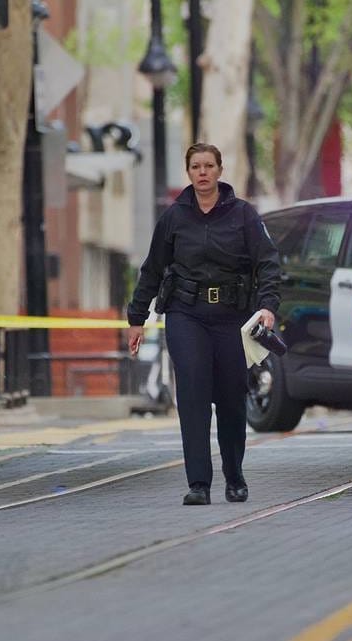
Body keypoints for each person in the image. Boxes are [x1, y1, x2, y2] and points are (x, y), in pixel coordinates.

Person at [126, 143, 282, 506]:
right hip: (186, 313)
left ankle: (235, 476)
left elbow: (268, 263)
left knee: (230, 398)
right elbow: (151, 270)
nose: (202, 172)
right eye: (196, 166)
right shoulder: (174, 217)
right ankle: (198, 483)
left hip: (232, 316)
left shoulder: (244, 215)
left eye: (209, 165)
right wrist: (137, 318)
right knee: (193, 395)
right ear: (189, 171)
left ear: (219, 170)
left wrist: (268, 306)